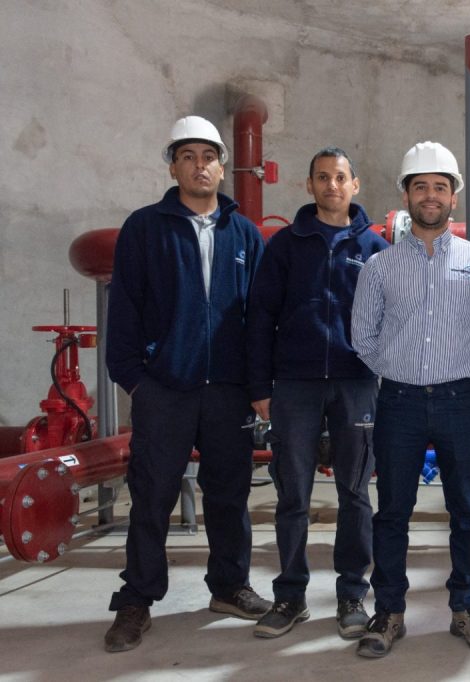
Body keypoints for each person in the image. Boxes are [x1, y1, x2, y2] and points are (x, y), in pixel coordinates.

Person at [104, 115, 270, 652]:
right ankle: (137, 598)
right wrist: (137, 381)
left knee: (230, 493)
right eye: (188, 156)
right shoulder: (144, 228)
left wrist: (256, 386)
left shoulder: (245, 234)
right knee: (152, 495)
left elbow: (259, 318)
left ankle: (229, 587)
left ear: (222, 166)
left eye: (209, 156)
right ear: (173, 167)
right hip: (165, 388)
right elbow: (124, 311)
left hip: (228, 391)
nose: (200, 166)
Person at [350, 141, 470, 658]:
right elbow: (362, 336)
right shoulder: (380, 267)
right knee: (393, 511)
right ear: (406, 195)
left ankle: (467, 607)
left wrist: (464, 367)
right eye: (421, 187)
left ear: (453, 196)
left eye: (440, 186)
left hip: (462, 401)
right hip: (399, 403)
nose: (431, 195)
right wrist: (399, 370)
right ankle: (389, 611)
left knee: (467, 509)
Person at [245, 147, 389, 639]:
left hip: (356, 383)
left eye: (340, 177)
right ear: (309, 185)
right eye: (323, 177)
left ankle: (351, 595)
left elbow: (393, 319)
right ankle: (290, 596)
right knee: (293, 496)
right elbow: (260, 317)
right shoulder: (285, 246)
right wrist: (260, 386)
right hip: (295, 386)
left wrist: (382, 376)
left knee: (355, 494)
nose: (332, 185)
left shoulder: (375, 248)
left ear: (355, 184)